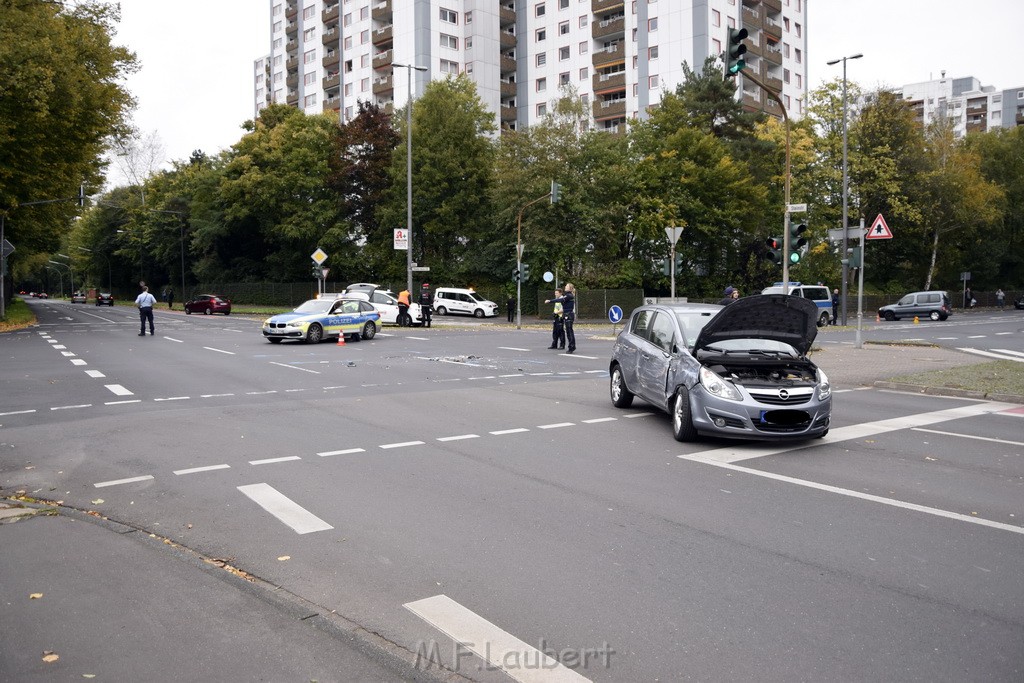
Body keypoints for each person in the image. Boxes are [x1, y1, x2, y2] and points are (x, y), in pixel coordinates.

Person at [545, 283, 575, 353]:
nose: (565, 287)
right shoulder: (567, 295)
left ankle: (572, 347)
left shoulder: (569, 296)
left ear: (570, 288)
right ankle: (571, 346)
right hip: (567, 315)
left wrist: (550, 301)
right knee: (568, 331)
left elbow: (560, 300)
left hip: (569, 315)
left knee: (569, 332)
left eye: (567, 286)